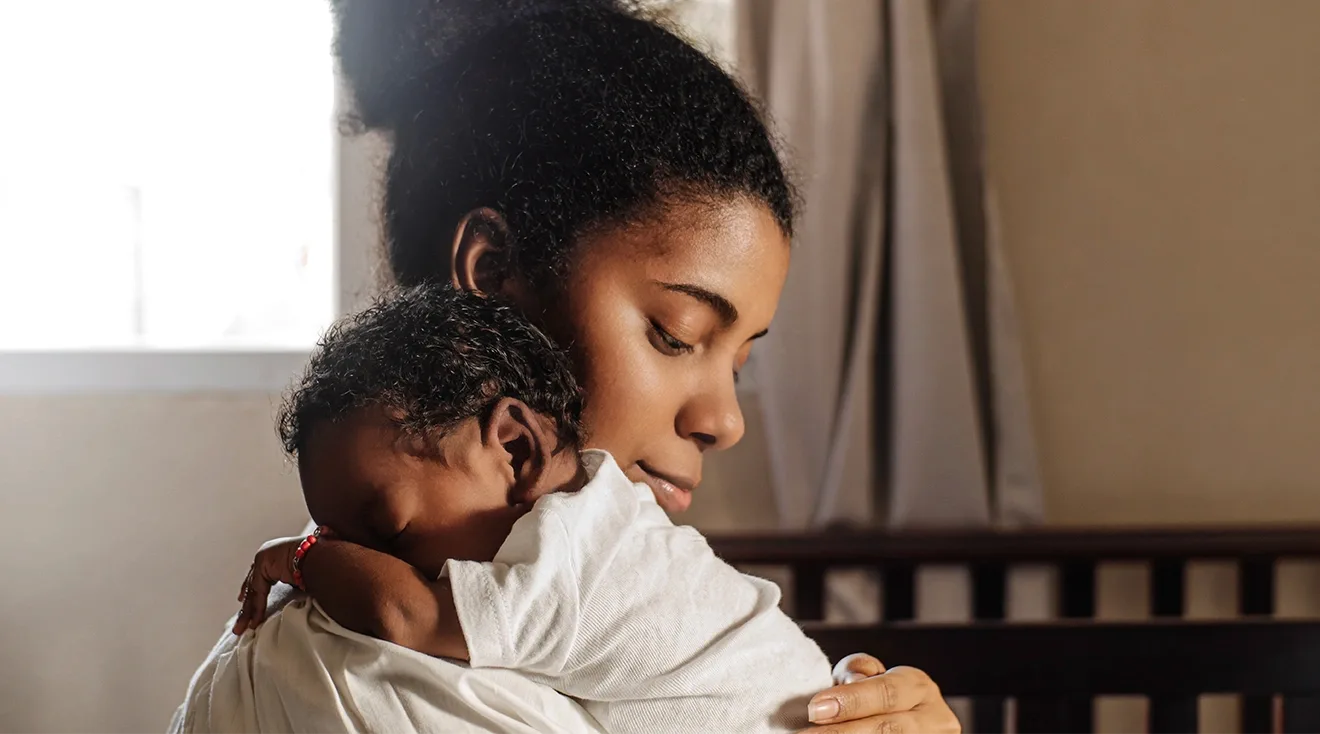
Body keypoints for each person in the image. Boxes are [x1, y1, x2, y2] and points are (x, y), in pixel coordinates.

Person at [175, 0, 960, 731]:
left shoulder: (587, 619)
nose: (724, 421)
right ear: (491, 281)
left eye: (741, 364)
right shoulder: (355, 678)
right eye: (675, 333)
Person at [234, 283, 834, 732]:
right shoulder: (603, 512)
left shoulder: (566, 560)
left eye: (386, 531)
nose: (366, 559)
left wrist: (301, 556)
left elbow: (405, 616)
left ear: (516, 450)